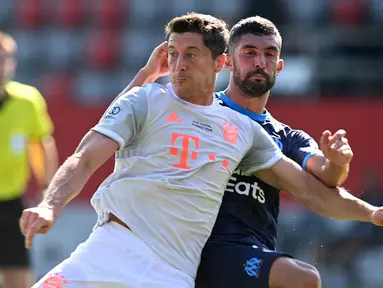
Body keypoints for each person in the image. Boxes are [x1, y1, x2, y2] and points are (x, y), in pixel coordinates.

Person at [21, 13, 383, 288]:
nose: (180, 64)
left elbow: (313, 191)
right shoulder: (146, 99)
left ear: (219, 63)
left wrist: (371, 213)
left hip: (172, 272)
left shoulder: (244, 131)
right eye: (174, 54)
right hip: (108, 249)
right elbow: (84, 157)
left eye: (191, 54)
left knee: (304, 277)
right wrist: (49, 205)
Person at [0, 31, 58, 288]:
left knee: (19, 279)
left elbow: (40, 143)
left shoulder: (28, 100)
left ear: (12, 63)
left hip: (11, 200)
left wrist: (47, 187)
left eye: (3, 59)